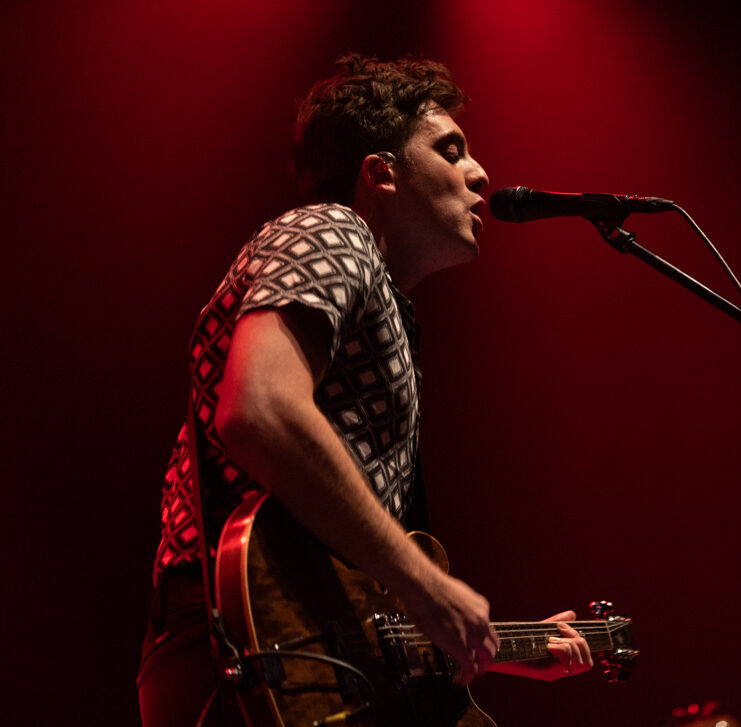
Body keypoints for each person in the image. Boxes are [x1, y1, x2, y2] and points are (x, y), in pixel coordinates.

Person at [137, 54, 592, 727]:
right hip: (239, 648)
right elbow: (260, 408)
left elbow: (351, 600)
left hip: (296, 648)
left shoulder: (384, 301)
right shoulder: (333, 230)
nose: (480, 174)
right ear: (380, 172)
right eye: (451, 150)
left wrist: (492, 644)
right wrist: (426, 582)